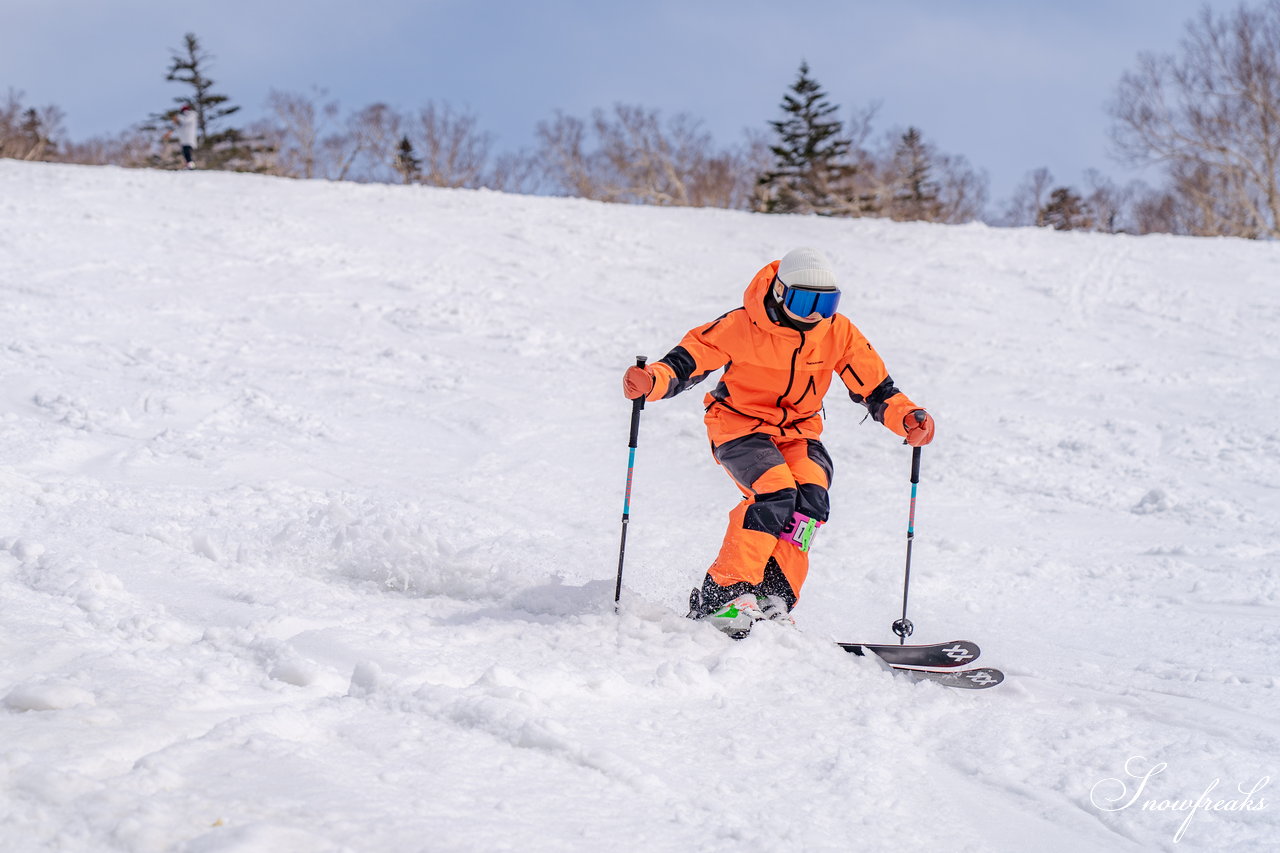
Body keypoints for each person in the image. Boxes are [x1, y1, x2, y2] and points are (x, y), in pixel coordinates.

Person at [621, 247, 935, 637]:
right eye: (806, 302)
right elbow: (688, 361)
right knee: (774, 492)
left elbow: (877, 389)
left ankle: (774, 596)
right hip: (738, 425)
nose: (815, 314)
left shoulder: (838, 332)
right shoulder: (741, 325)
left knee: (810, 498)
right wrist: (652, 382)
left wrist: (907, 418)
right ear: (781, 292)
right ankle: (724, 595)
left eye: (827, 303)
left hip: (799, 431)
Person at [163, 104, 198, 170]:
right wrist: (169, 133)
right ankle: (189, 165)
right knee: (185, 152)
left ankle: (191, 166)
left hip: (189, 138)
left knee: (187, 152)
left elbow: (186, 121)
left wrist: (178, 119)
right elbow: (176, 126)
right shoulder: (181, 118)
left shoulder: (192, 115)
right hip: (183, 139)